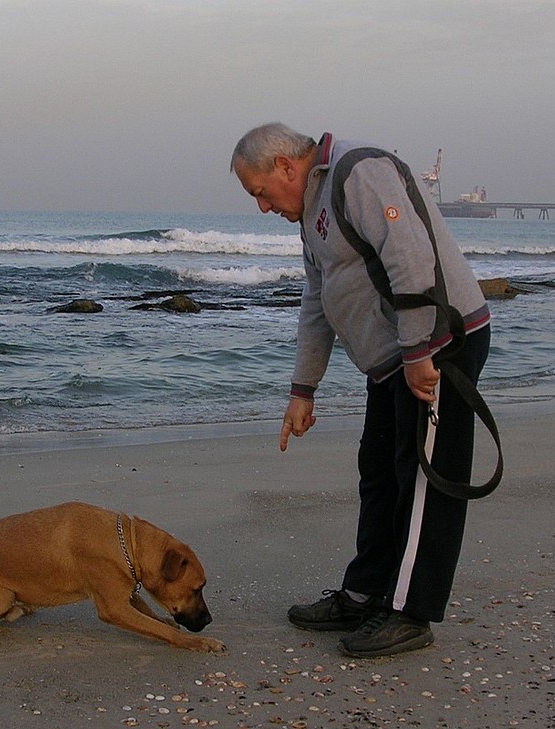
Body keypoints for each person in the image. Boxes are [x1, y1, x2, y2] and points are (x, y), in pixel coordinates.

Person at [230, 123, 491, 657]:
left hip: (440, 343)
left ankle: (410, 613)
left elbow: (410, 254)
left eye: (260, 191)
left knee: (424, 479)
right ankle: (366, 591)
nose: (262, 207)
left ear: (285, 165)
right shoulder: (310, 212)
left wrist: (420, 352)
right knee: (379, 472)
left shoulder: (358, 171)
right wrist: (303, 389)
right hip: (394, 356)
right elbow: (317, 300)